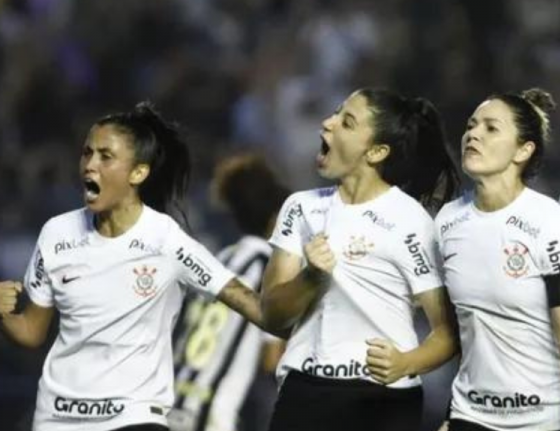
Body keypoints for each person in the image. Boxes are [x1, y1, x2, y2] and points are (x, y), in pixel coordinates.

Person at [0, 103, 267, 431]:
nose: (90, 165)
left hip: (134, 417)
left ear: (138, 173)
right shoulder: (57, 233)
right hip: (58, 419)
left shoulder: (166, 239)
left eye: (105, 156)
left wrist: (309, 285)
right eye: (87, 153)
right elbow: (31, 332)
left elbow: (255, 307)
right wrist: (4, 314)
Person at [260, 87, 460, 431]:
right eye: (335, 113)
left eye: (346, 122)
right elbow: (273, 316)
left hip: (380, 399)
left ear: (377, 151)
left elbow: (447, 334)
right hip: (304, 393)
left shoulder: (410, 221)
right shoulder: (300, 207)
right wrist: (309, 279)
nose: (327, 123)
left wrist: (405, 363)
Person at [436, 89, 560, 431]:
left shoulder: (549, 222)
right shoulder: (447, 222)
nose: (474, 134)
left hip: (548, 419)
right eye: (471, 126)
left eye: (491, 128)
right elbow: (461, 331)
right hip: (474, 416)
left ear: (523, 150)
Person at [169, 153, 288, 431]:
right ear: (276, 219)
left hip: (170, 404)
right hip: (211, 415)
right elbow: (271, 361)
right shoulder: (267, 271)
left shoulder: (218, 261)